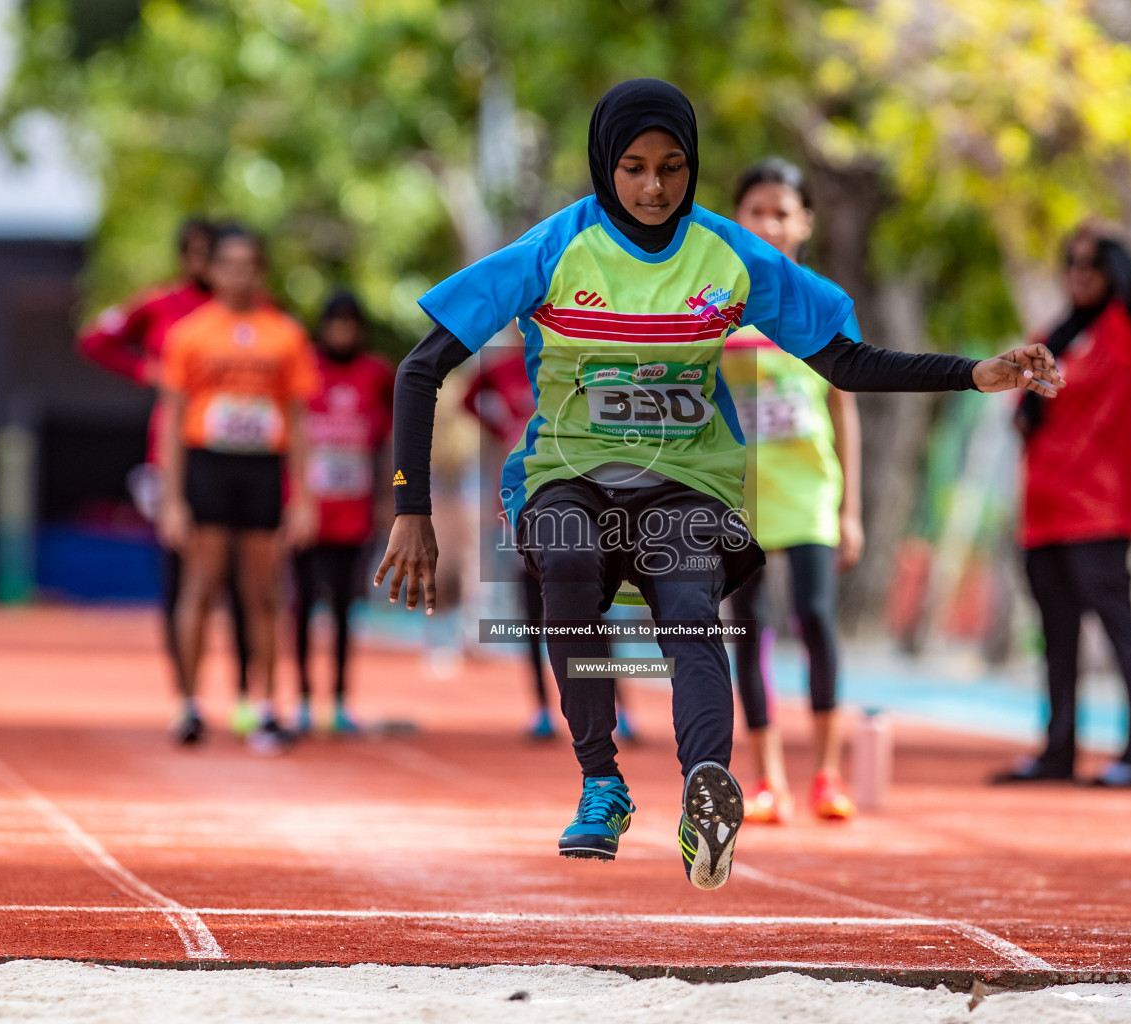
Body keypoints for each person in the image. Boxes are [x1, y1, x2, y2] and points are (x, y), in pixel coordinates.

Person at [375, 78, 1062, 891]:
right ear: (605, 165)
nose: (654, 187)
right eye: (633, 168)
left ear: (692, 166)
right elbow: (422, 369)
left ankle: (709, 791)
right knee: (564, 564)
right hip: (569, 472)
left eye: (671, 167)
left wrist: (975, 374)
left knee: (692, 612)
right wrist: (410, 509)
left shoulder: (728, 254)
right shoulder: (555, 249)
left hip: (684, 480)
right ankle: (602, 784)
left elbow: (844, 360)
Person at [721, 158, 864, 824]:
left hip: (809, 493)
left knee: (816, 621)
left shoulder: (824, 305)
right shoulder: (715, 305)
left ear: (804, 222)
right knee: (750, 631)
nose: (770, 223)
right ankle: (767, 780)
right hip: (739, 498)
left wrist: (852, 508)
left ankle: (829, 775)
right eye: (756, 211)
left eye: (782, 211)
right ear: (735, 221)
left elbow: (846, 408)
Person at [77, 219, 258, 735]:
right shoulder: (161, 307)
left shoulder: (252, 313)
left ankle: (248, 692)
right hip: (177, 452)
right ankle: (187, 696)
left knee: (244, 579)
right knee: (184, 578)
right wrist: (147, 372)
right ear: (186, 259)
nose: (211, 265)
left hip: (244, 459)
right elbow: (97, 338)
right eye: (201, 255)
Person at [994, 223, 1131, 788]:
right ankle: (1058, 749)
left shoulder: (1126, 325)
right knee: (1056, 634)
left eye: (1094, 265)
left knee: (1117, 630)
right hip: (1044, 510)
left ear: (1112, 272)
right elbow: (1021, 401)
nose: (1081, 275)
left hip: (1100, 509)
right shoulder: (1053, 334)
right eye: (1073, 264)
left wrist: (1107, 243)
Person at [157, 225, 318, 754]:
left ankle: (266, 707)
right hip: (208, 464)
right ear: (213, 271)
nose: (239, 273)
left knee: (262, 591)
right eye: (229, 264)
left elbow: (297, 421)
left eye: (249, 264)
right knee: (200, 587)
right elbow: (172, 418)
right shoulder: (188, 334)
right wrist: (172, 496)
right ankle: (188, 705)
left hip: (262, 468)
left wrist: (303, 496)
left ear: (261, 271)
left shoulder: (285, 336)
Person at [464, 346, 639, 743]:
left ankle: (618, 708)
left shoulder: (577, 360)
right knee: (534, 614)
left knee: (596, 610)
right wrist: (500, 428)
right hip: (519, 504)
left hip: (581, 501)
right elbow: (464, 395)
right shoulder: (504, 369)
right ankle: (543, 708)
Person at [292, 290, 393, 736]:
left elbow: (391, 441)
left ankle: (338, 701)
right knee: (301, 605)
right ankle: (301, 699)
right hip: (307, 512)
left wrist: (395, 496)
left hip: (355, 514)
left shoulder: (376, 375)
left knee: (344, 608)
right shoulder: (303, 370)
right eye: (335, 324)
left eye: (350, 325)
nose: (342, 333)